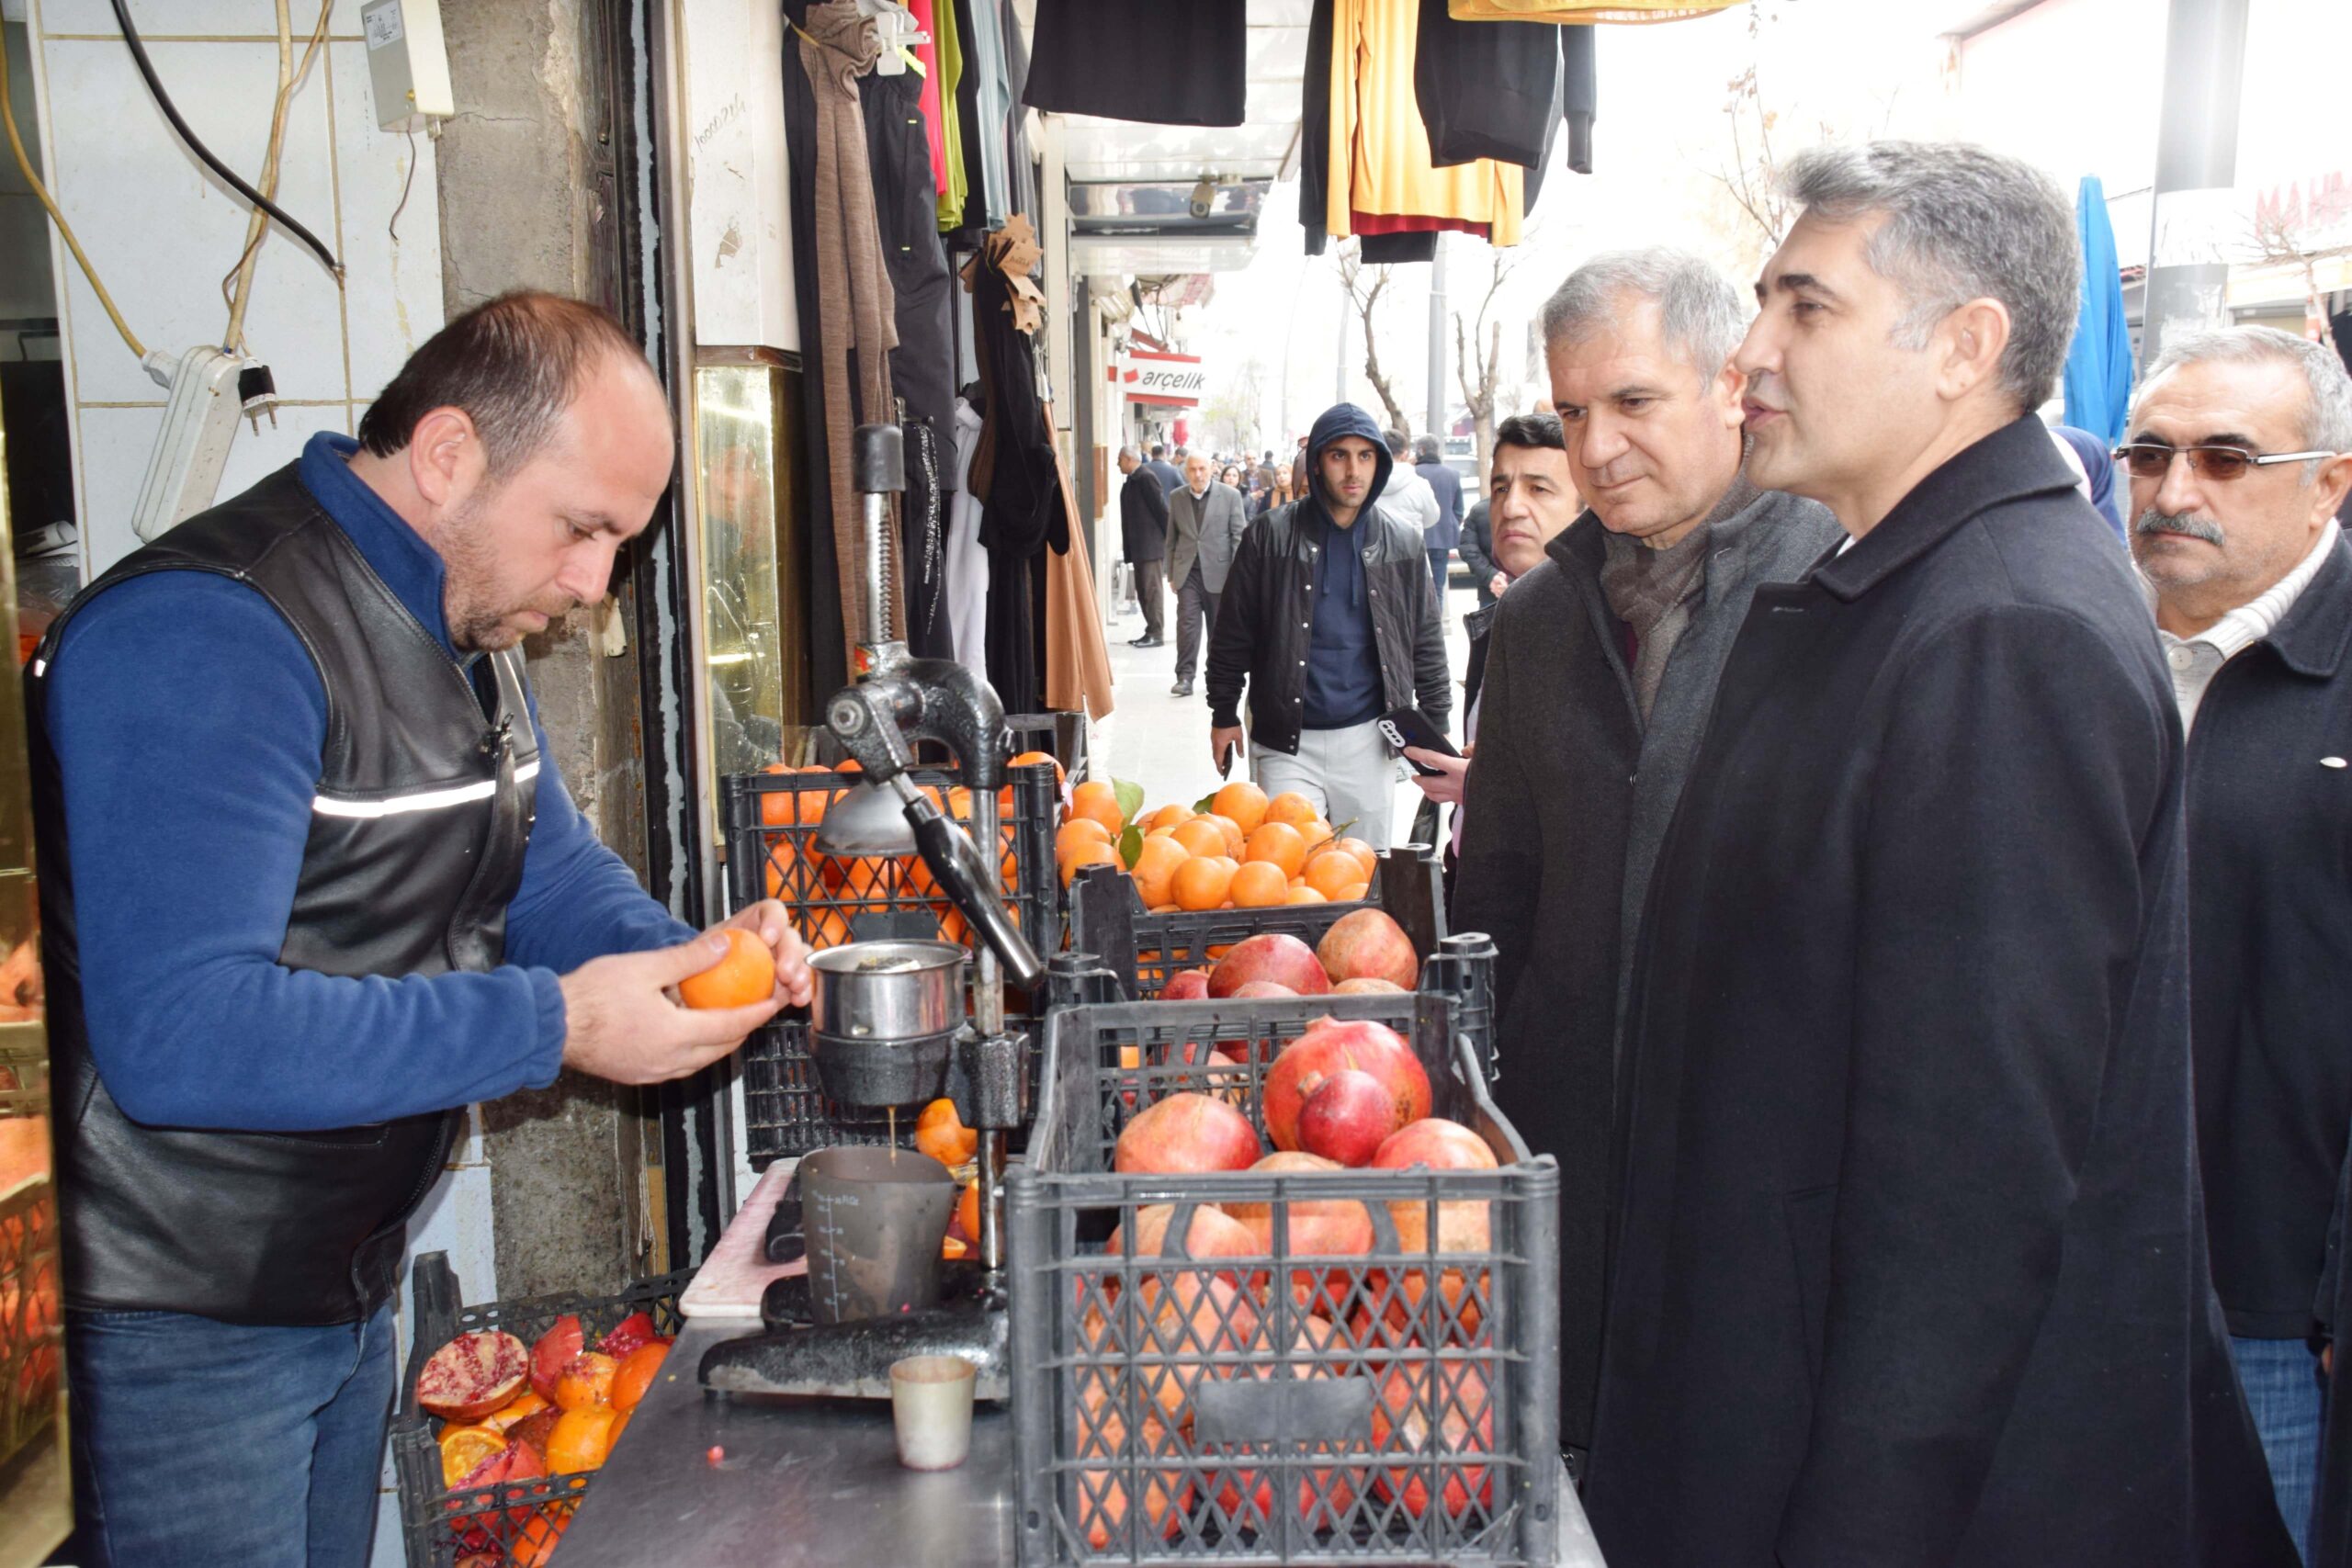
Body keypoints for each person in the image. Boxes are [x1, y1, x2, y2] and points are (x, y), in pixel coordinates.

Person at [29, 291, 819, 1568]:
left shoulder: (460, 629)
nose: (592, 582)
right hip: (181, 1321)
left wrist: (686, 959)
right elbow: (181, 1031)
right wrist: (555, 1022)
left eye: (616, 540)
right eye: (580, 528)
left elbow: (549, 875)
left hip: (336, 1291)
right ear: (450, 454)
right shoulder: (213, 632)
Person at [1585, 142, 2291, 1566]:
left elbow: (1967, 1205)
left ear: (1965, 346)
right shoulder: (1907, 587)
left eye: (1806, 307)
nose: (1754, 348)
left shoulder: (2002, 630)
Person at [1433, 253, 1838, 1468]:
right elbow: (1493, 886)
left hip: (1759, 1180)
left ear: (1733, 384)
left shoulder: (1834, 588)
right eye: (1571, 412)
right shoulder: (1537, 619)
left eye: (1633, 403)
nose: (1597, 446)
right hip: (1571, 1163)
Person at [2122, 325, 2352, 1559]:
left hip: (2274, 1307)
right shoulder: (2086, 643)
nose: (2174, 491)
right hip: (2088, 1273)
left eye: (2225, 458)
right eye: (2150, 452)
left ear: (2332, 479)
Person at [1205, 403, 1449, 844]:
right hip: (1285, 742)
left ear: (1380, 462)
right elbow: (1232, 634)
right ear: (1317, 461)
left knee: (1364, 875)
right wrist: (1223, 712)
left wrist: (1437, 722)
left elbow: (1426, 639)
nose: (1353, 470)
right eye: (1339, 455)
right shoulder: (1268, 535)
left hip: (1369, 741)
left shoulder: (1402, 541)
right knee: (1290, 873)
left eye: (1365, 456)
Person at [1403, 412, 1582, 885]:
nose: (1512, 507)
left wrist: (1488, 787)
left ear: (1588, 508)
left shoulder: (1605, 632)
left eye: (1540, 489)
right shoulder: (1504, 619)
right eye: (1501, 488)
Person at [1165, 450, 1248, 698]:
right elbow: (1172, 538)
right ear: (1186, 471)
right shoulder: (1177, 497)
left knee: (1218, 629)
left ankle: (1216, 676)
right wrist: (1171, 573)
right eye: (1192, 469)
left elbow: (1238, 537)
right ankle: (1185, 677)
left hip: (1221, 574)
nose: (1198, 474)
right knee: (1187, 626)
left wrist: (1237, 576)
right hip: (1187, 572)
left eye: (1202, 469)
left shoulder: (1230, 496)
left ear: (1211, 468)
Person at [1372, 427, 1443, 592]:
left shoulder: (1368, 485)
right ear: (1405, 453)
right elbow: (1432, 518)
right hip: (1412, 561)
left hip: (1374, 563)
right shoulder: (1419, 485)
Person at [1116, 445, 1169, 649]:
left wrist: (1170, 540)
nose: (1117, 464)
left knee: (1151, 591)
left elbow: (1161, 509)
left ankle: (1157, 632)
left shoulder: (1145, 477)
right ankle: (1151, 630)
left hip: (1150, 547)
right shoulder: (1132, 481)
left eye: (1119, 460)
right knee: (1143, 591)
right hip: (1139, 547)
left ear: (1129, 459)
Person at [1414, 434, 1464, 596]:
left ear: (1421, 450)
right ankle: (1436, 620)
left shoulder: (1412, 474)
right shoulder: (1452, 475)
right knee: (1437, 589)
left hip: (1415, 539)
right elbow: (1458, 510)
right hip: (1443, 538)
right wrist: (1449, 525)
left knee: (1416, 589)